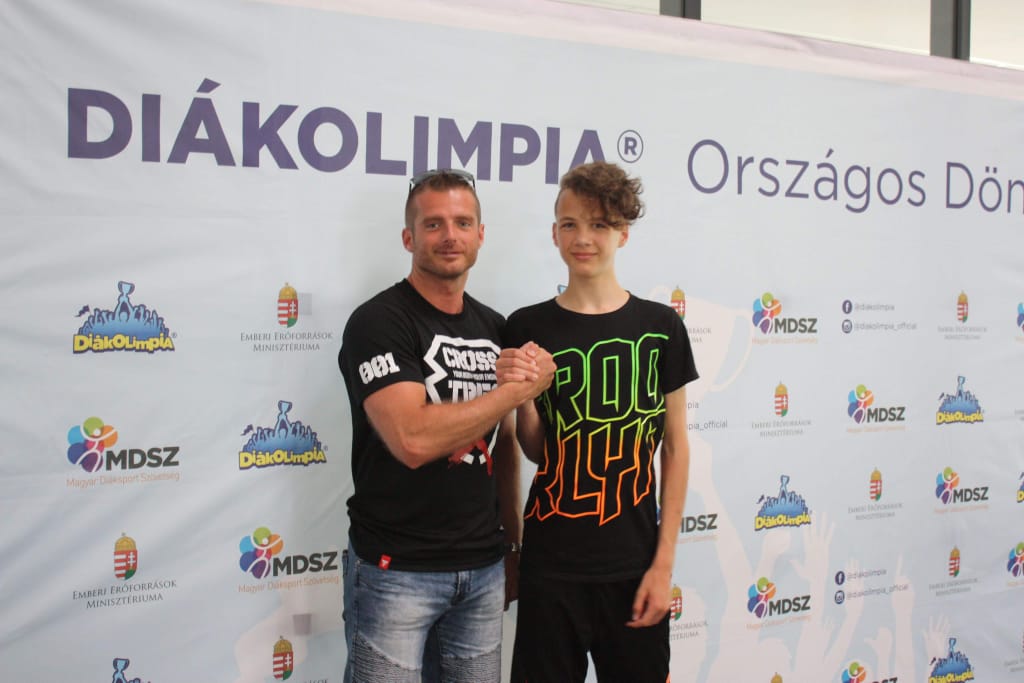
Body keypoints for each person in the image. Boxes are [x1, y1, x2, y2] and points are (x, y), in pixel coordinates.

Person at [337, 168, 554, 683]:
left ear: (481, 235)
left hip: (483, 570)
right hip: (396, 570)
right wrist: (514, 392)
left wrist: (512, 546)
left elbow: (508, 448)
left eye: (462, 222)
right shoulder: (379, 322)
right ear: (408, 238)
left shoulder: (495, 327)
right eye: (433, 224)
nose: (449, 236)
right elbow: (411, 439)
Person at [497, 161, 698, 683]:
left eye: (599, 225)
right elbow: (538, 450)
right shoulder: (526, 326)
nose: (582, 238)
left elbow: (676, 447)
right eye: (570, 224)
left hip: (635, 565)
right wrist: (526, 398)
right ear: (554, 232)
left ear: (623, 233)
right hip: (551, 563)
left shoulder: (661, 327)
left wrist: (663, 565)